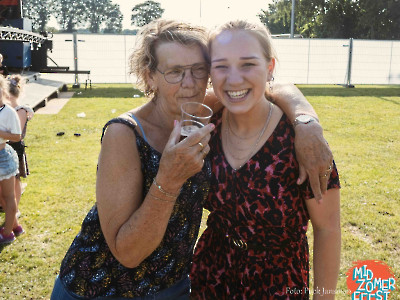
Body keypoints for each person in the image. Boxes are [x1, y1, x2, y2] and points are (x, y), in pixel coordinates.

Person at [51, 19, 334, 299]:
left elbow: (262, 84)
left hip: (179, 285)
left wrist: (306, 121)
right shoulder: (124, 133)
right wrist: (169, 178)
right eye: (174, 71)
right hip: (100, 287)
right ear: (150, 76)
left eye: (199, 70)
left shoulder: (206, 114)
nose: (188, 83)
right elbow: (128, 254)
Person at [190, 20, 341, 299]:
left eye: (248, 64)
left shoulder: (302, 143)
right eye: (221, 65)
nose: (233, 79)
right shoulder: (206, 125)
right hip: (210, 277)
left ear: (269, 68)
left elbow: (327, 228)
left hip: (279, 284)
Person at [6, 75, 34, 216]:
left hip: (15, 149)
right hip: (4, 147)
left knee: (15, 179)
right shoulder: (5, 110)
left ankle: (15, 208)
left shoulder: (21, 110)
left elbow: (16, 133)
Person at [0, 75, 23, 245]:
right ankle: (15, 225)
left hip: (3, 159)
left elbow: (16, 136)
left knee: (8, 197)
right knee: (1, 198)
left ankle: (7, 234)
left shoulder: (8, 112)